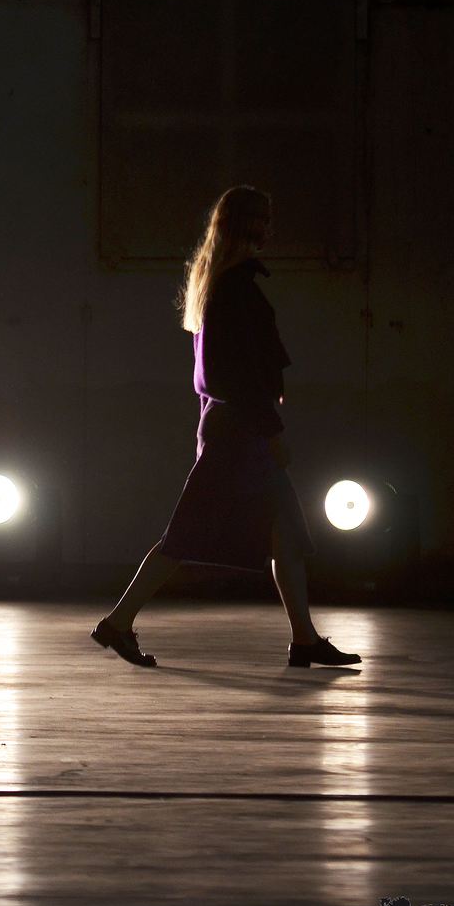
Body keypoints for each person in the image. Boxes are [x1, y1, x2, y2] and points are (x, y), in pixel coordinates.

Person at [93, 185, 360, 669]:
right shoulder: (233, 288)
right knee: (187, 535)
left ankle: (304, 638)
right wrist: (272, 431)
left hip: (234, 429)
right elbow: (228, 377)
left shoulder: (222, 284)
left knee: (285, 535)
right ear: (244, 225)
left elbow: (220, 376)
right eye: (262, 219)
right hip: (240, 434)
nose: (269, 229)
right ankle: (118, 621)